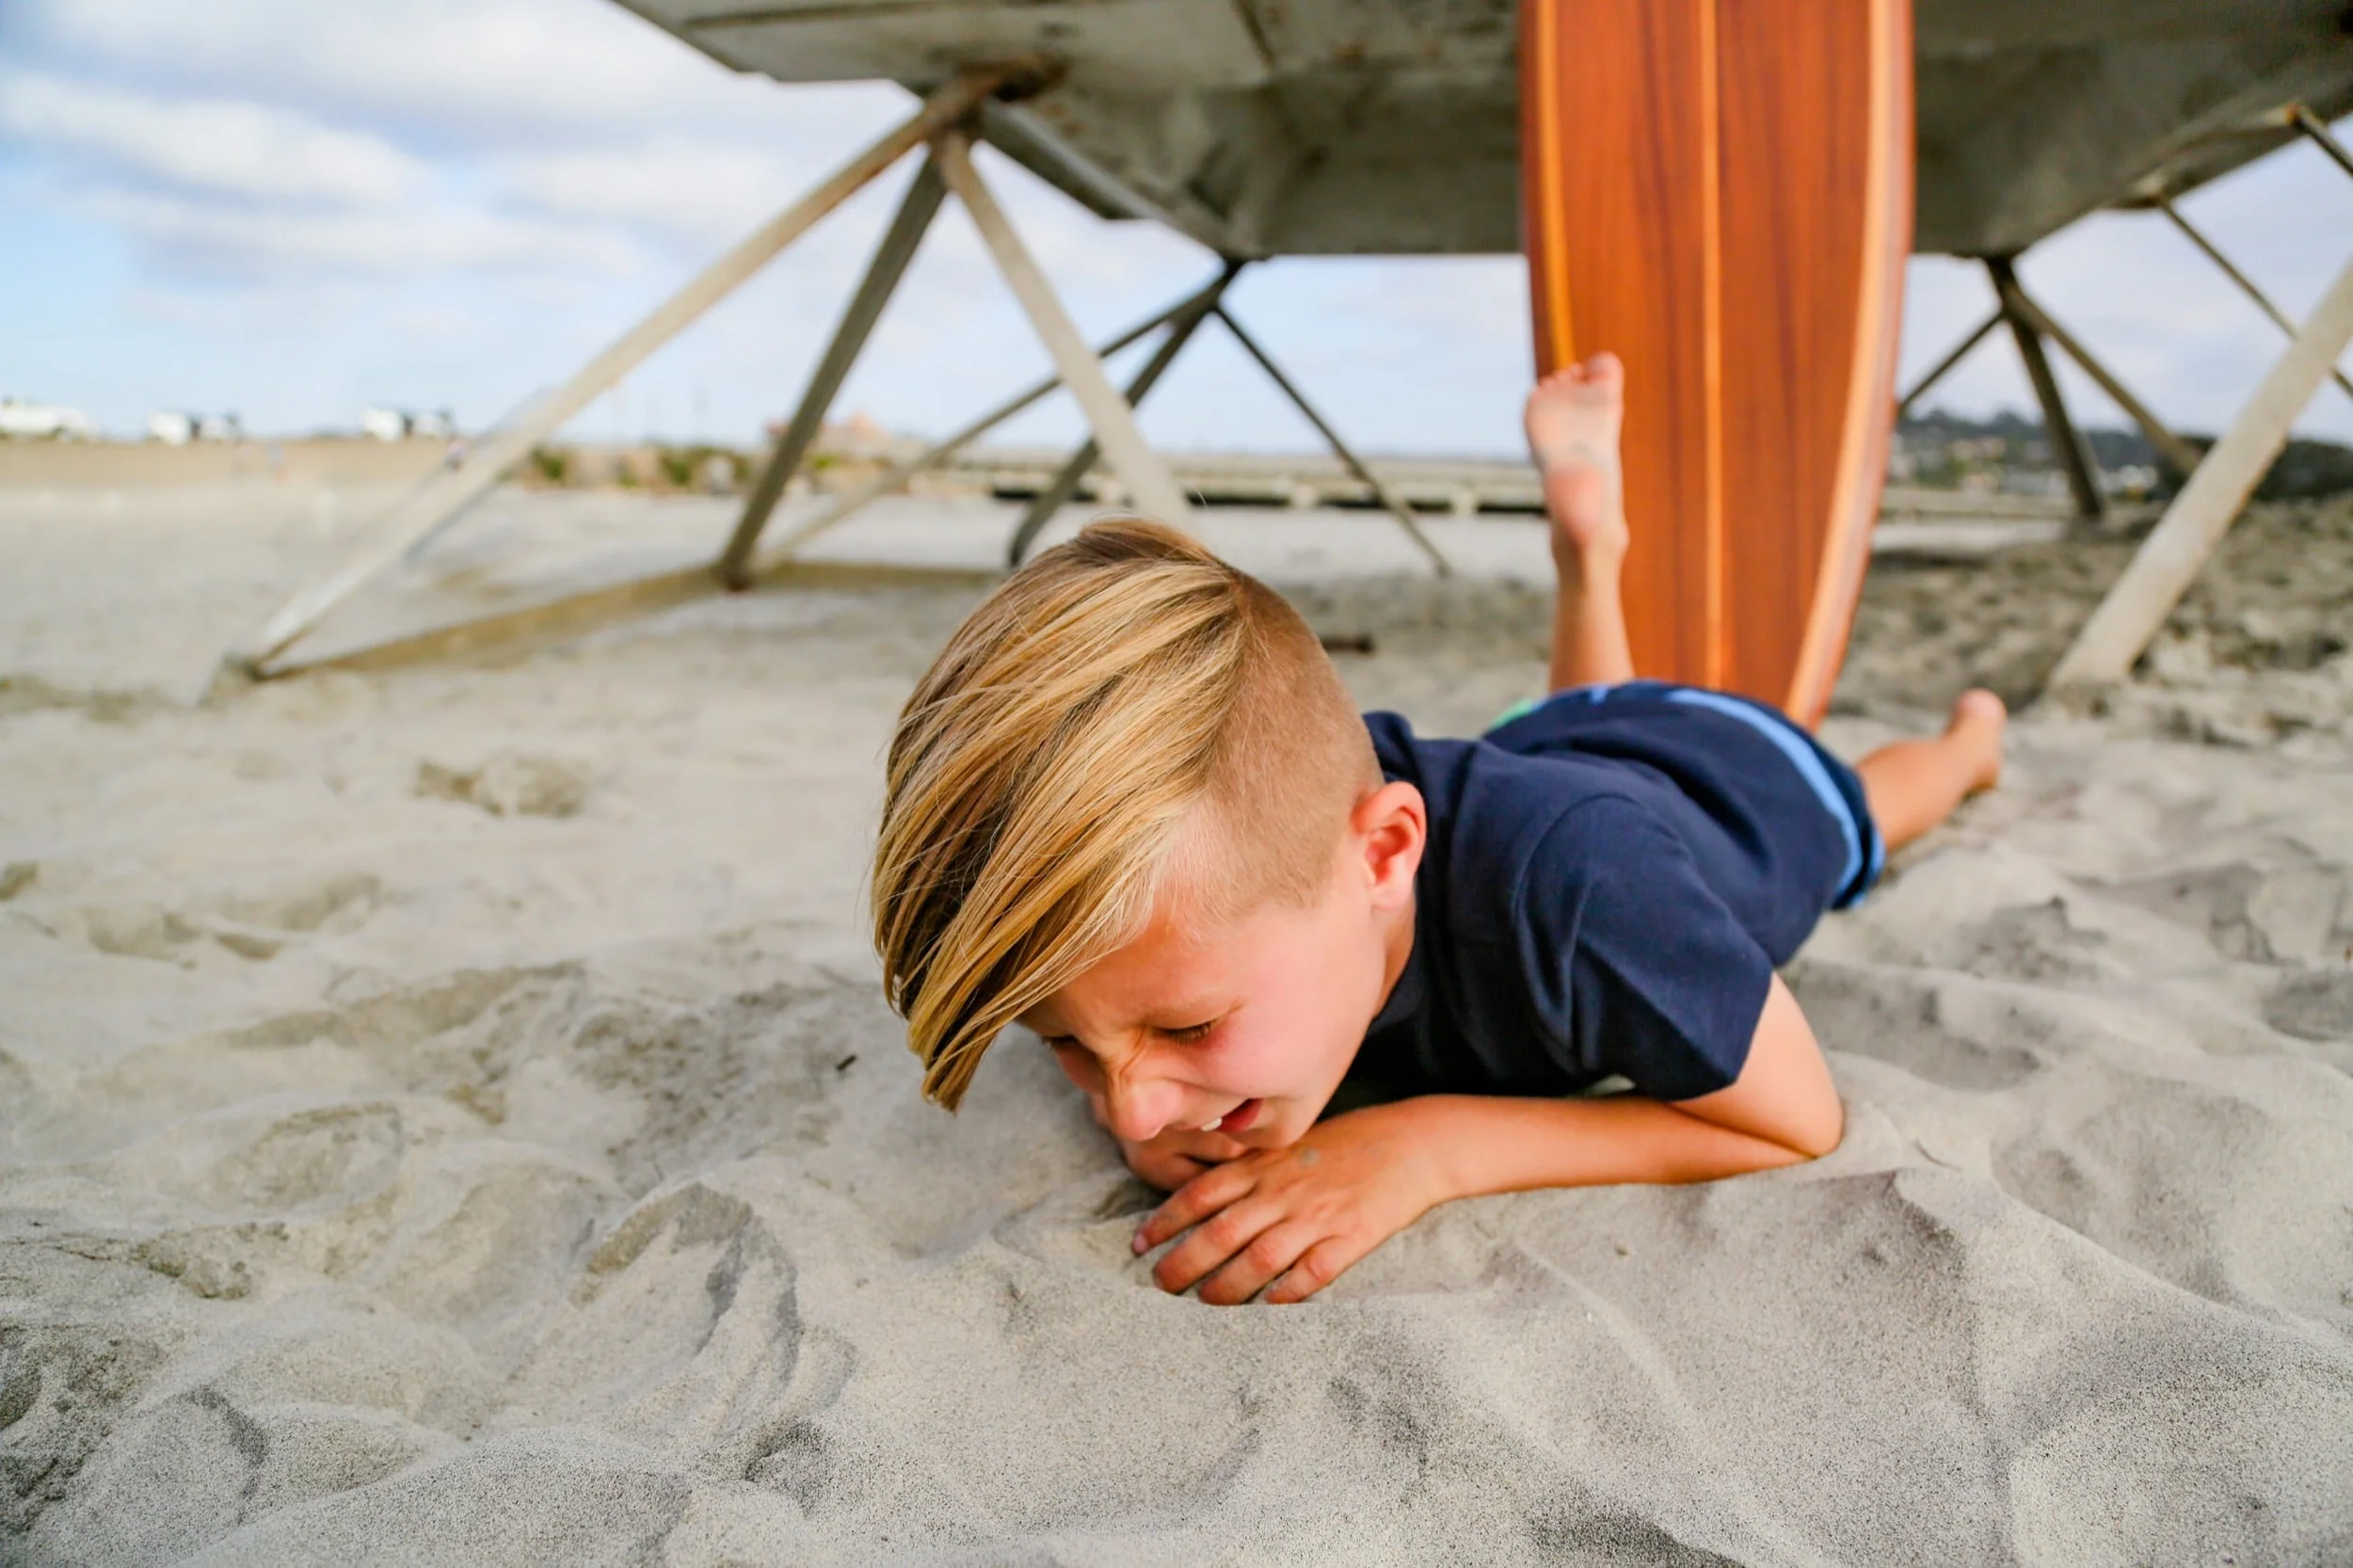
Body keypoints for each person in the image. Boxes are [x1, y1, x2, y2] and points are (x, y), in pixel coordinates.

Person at [870, 352, 2006, 1306]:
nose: (1132, 1110)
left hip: (1728, 771)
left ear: (1382, 856)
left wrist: (1427, 1145)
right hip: (1545, 751)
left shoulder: (1593, 896)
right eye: (1064, 1044)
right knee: (1568, 729)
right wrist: (1157, 1050)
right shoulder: (1278, 812)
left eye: (1194, 1025)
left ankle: (1970, 739)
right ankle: (1586, 556)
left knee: (1869, 810)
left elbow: (1795, 1120)